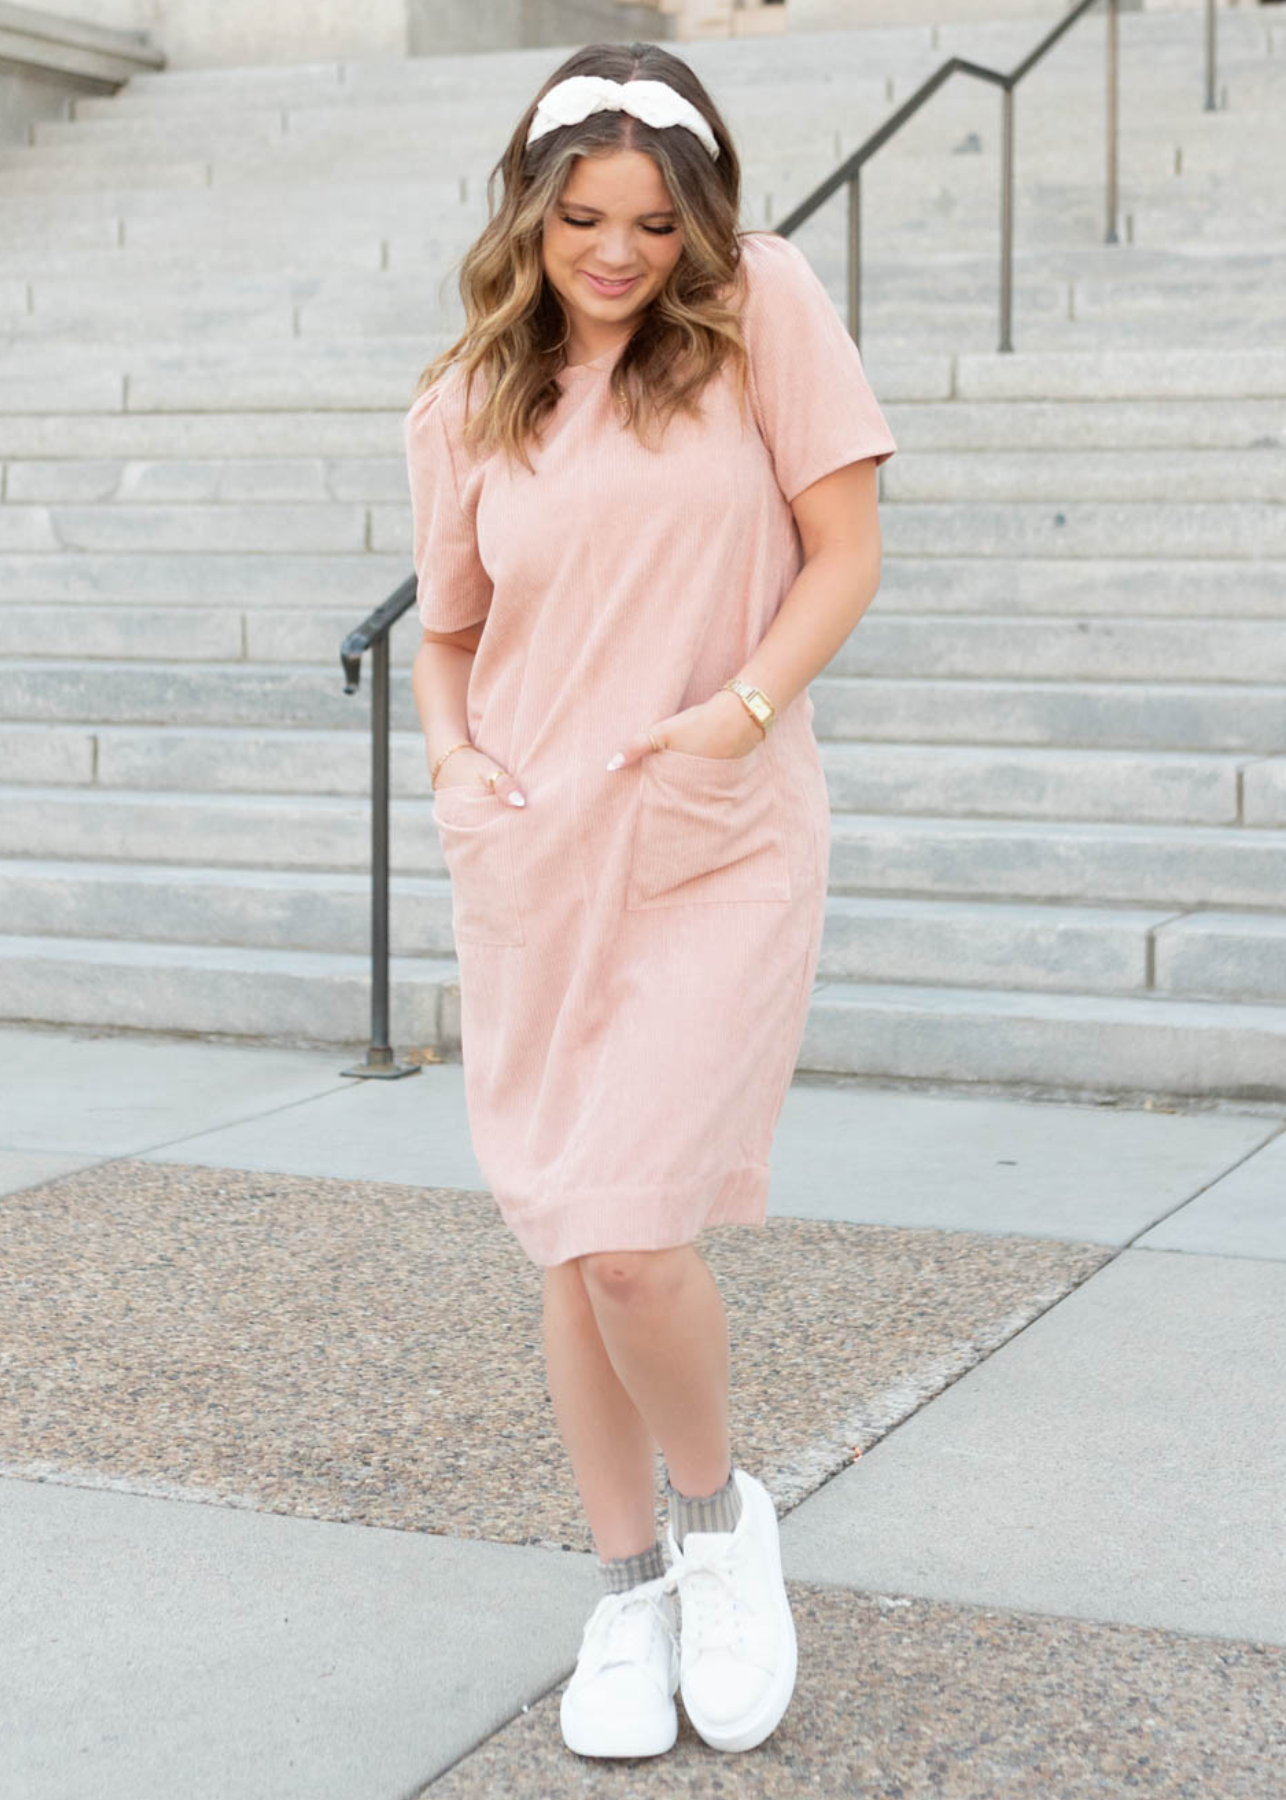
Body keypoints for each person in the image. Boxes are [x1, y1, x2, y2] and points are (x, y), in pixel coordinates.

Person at [405, 40, 896, 1762]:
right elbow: (448, 629)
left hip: (716, 830)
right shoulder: (470, 393)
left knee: (628, 1242)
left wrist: (739, 714)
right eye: (582, 221)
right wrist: (455, 766)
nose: (616, 254)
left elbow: (844, 551)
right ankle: (624, 1589)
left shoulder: (763, 306)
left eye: (651, 221)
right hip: (537, 852)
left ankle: (716, 1526)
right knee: (570, 1234)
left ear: (700, 218)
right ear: (531, 216)